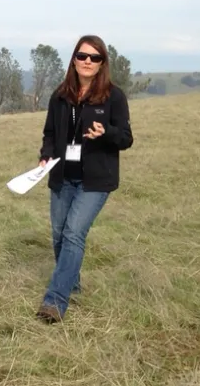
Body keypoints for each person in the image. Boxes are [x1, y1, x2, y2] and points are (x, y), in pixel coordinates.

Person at [35, 34, 134, 323]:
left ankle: (55, 301)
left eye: (94, 57)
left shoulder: (113, 97)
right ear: (74, 59)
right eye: (82, 56)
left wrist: (107, 133)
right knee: (58, 235)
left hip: (95, 181)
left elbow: (126, 138)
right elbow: (50, 133)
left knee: (73, 234)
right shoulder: (60, 95)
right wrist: (45, 156)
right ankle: (72, 284)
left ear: (102, 62)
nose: (87, 62)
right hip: (61, 176)